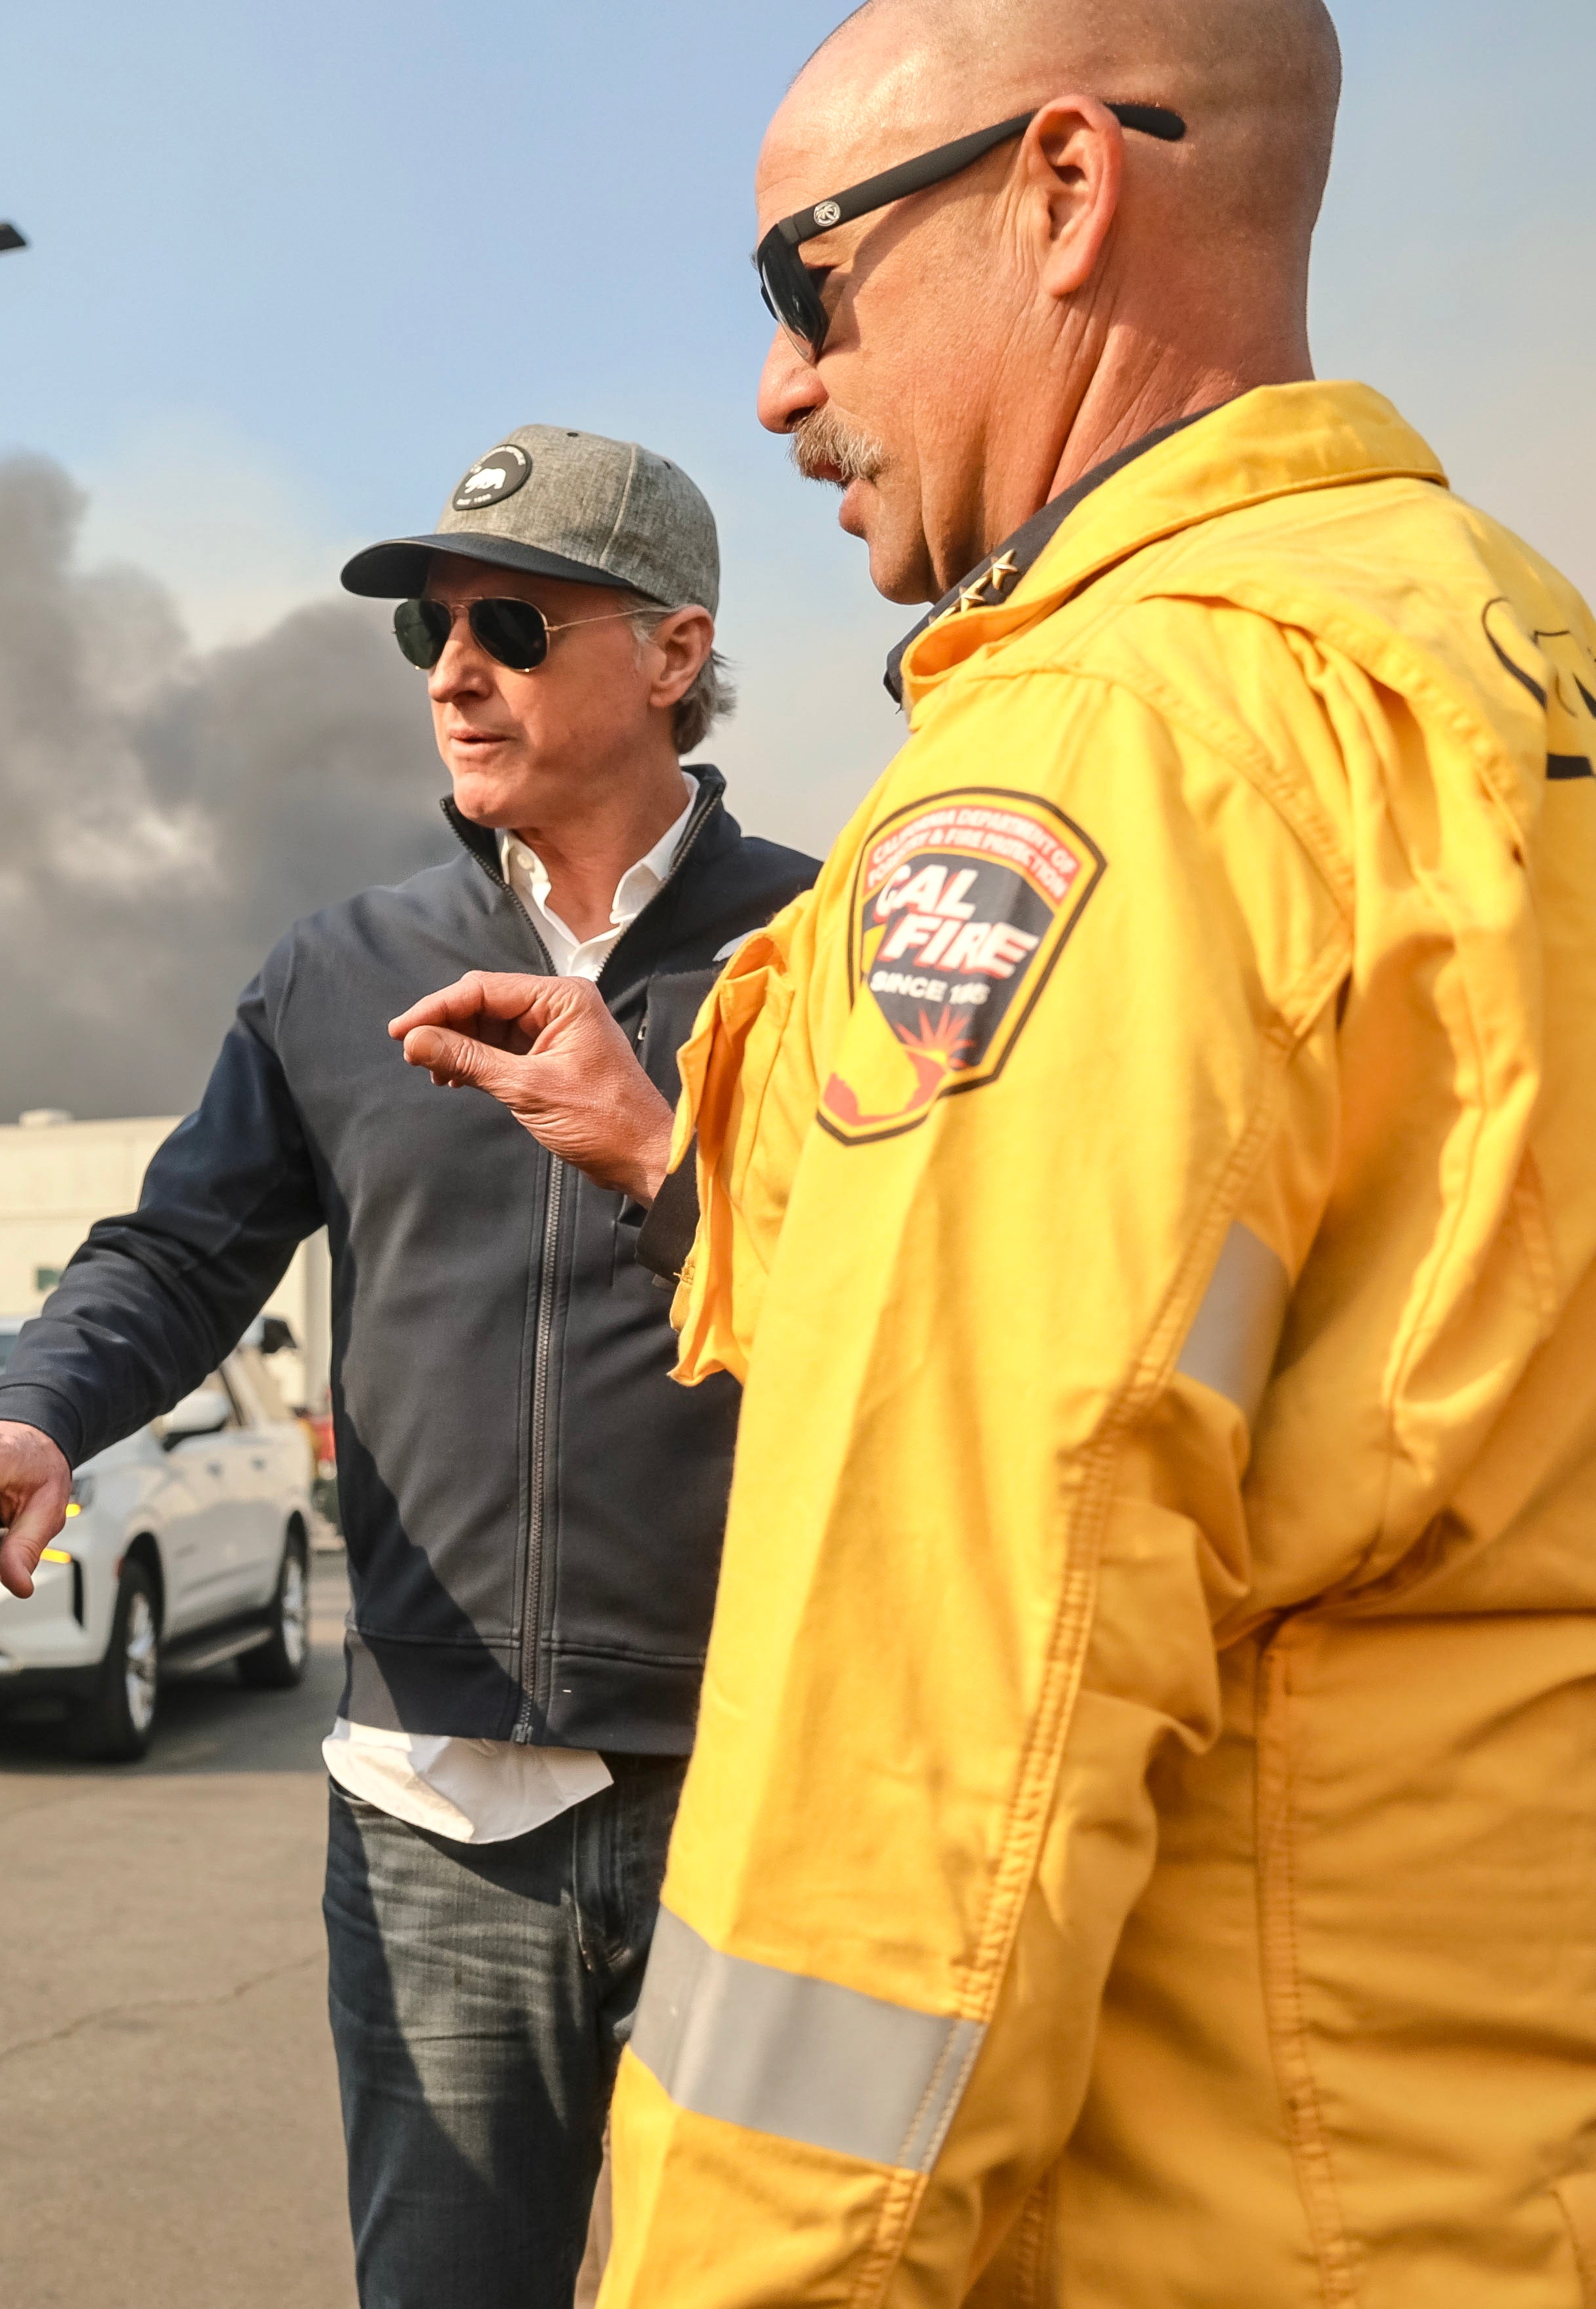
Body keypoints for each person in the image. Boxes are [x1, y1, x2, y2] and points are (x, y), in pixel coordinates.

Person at [398, 3, 1596, 2299]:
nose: (773, 391)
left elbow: (951, 1703)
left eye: (802, 284)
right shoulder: (1497, 658)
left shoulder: (1102, 750)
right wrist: (697, 1155)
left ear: (1062, 189)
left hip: (1240, 2209)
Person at [0, 430, 814, 2305]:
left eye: (509, 623)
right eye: (427, 632)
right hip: (434, 1818)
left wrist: (675, 1160)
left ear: (672, 650)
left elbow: (935, 1299)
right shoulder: (338, 970)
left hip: (775, 1791)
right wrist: (35, 1404)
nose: (454, 668)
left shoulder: (831, 939)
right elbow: (180, 1247)